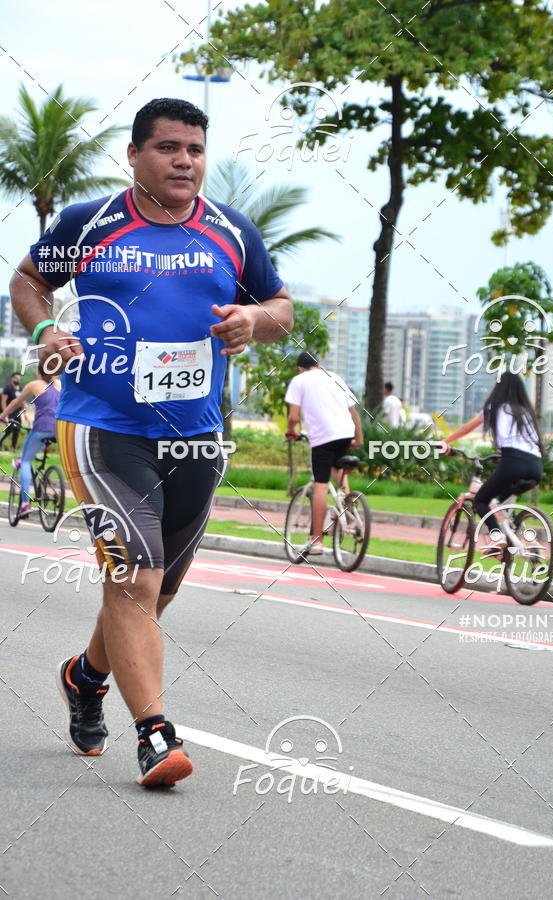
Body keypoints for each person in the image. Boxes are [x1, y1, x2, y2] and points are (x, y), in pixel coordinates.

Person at [10, 97, 292, 787]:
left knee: (151, 592)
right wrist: (46, 333)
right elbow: (27, 281)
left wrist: (255, 320)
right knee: (134, 577)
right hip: (103, 427)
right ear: (134, 156)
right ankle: (155, 735)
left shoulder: (232, 231)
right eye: (169, 148)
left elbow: (283, 310)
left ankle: (85, 675)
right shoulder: (89, 223)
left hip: (196, 437)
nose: (185, 161)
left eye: (195, 149)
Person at [441, 372, 543, 551]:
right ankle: (529, 543)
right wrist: (504, 455)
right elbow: (522, 442)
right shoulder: (526, 412)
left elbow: (466, 428)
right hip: (535, 466)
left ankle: (497, 537)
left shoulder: (494, 408)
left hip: (513, 463)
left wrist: (445, 443)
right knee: (503, 504)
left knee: (481, 500)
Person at [285, 352, 363, 555]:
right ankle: (349, 505)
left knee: (320, 484)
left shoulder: (299, 380)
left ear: (300, 368)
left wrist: (291, 431)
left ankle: (316, 540)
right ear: (317, 365)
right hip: (346, 433)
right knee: (337, 468)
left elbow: (293, 417)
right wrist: (359, 439)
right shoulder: (335, 377)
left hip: (323, 437)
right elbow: (354, 412)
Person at [0, 364, 60, 514]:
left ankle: (25, 504)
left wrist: (3, 415)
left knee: (26, 461)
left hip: (41, 428)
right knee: (35, 447)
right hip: (57, 430)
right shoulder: (59, 385)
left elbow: (15, 403)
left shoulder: (34, 384)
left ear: (38, 371)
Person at [0, 372, 22, 450]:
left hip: (17, 413)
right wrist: (5, 415)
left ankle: (13, 448)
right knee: (9, 429)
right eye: (16, 378)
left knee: (17, 429)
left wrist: (24, 412)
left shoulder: (20, 389)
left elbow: (22, 401)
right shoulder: (7, 388)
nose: (18, 379)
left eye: (19, 378)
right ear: (12, 378)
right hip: (9, 412)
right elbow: (3, 402)